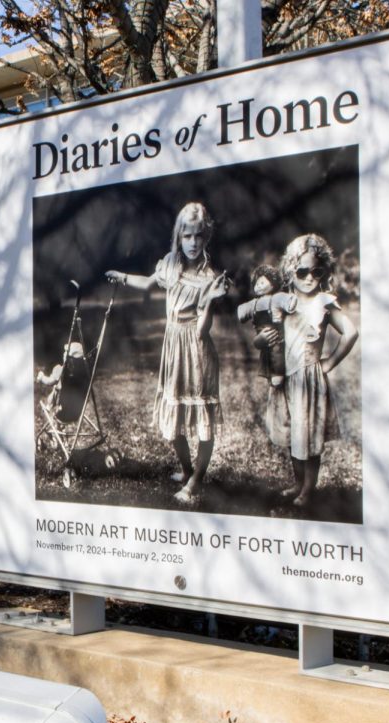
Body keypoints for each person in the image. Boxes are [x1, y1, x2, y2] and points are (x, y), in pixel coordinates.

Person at [105, 201, 230, 506]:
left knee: (201, 418)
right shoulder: (171, 264)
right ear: (179, 236)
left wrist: (211, 300)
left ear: (206, 237)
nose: (193, 243)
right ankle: (188, 470)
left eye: (199, 236)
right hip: (173, 346)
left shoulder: (209, 277)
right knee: (173, 419)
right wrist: (122, 276)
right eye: (187, 236)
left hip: (197, 348)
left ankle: (195, 482)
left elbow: (203, 329)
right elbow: (148, 283)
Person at [265, 233, 359, 507]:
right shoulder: (282, 301)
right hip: (287, 378)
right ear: (290, 270)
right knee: (294, 433)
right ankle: (297, 483)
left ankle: (308, 488)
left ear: (323, 272)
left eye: (316, 272)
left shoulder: (324, 302)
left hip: (309, 378)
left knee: (309, 433)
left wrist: (328, 362)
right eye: (302, 271)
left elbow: (351, 333)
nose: (308, 278)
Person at [237, 263, 294, 387]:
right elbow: (242, 312)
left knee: (277, 352)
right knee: (265, 355)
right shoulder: (254, 303)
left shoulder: (276, 298)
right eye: (257, 283)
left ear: (273, 283)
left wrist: (291, 302)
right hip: (261, 337)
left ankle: (278, 373)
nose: (259, 285)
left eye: (262, 282)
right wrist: (241, 312)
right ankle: (270, 374)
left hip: (276, 335)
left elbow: (289, 301)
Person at [36, 341, 89, 424]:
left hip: (62, 414)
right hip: (76, 414)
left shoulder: (62, 371)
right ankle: (50, 406)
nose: (64, 353)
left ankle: (49, 405)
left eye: (65, 352)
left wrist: (42, 377)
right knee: (60, 386)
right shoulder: (84, 374)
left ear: (69, 358)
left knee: (56, 387)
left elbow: (49, 382)